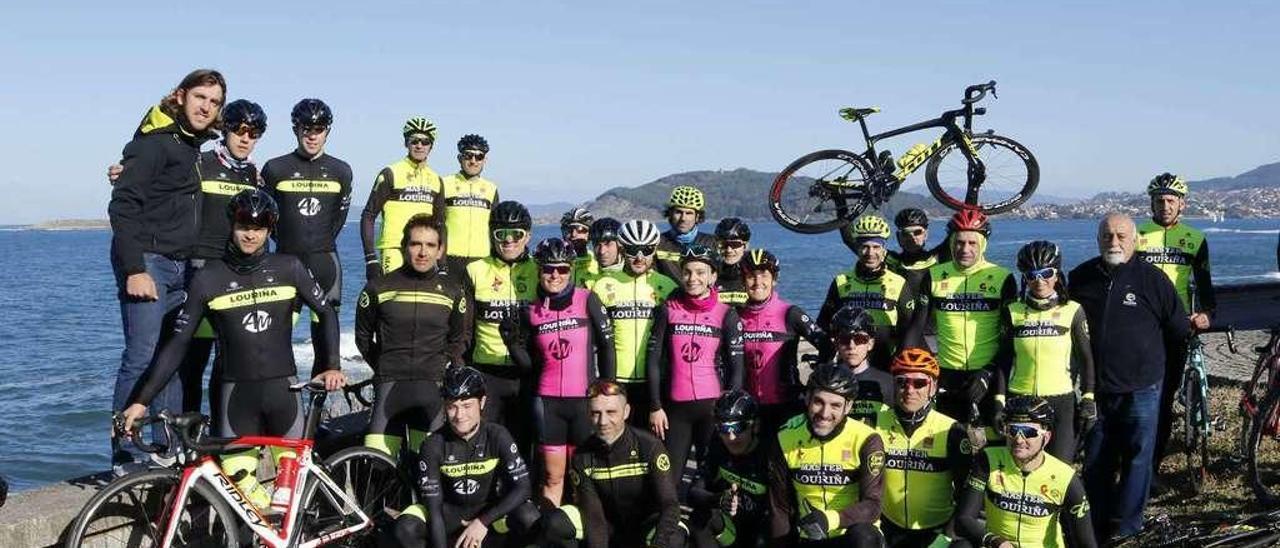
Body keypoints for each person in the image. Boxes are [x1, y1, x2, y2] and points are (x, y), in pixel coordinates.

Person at [120, 189, 346, 510]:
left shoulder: (289, 267)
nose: (250, 234)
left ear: (270, 229)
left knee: (291, 505)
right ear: (232, 224)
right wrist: (141, 401)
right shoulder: (208, 277)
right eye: (243, 225)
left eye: (259, 226)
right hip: (235, 398)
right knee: (244, 505)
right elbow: (178, 344)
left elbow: (326, 313)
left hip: (285, 394)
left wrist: (331, 364)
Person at [110, 98, 267, 414]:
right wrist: (124, 173)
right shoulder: (200, 162)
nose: (245, 137)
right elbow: (159, 179)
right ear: (224, 130)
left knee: (225, 363)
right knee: (184, 363)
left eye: (253, 132)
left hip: (230, 276)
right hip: (192, 272)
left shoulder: (253, 176)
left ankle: (204, 438)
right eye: (238, 129)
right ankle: (168, 440)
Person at [108, 69, 226, 472]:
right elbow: (122, 207)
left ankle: (166, 447)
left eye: (214, 103)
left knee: (168, 362)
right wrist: (134, 268)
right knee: (140, 358)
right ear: (179, 96)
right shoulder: (154, 145)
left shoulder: (190, 147)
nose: (206, 107)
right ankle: (126, 456)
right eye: (200, 98)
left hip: (180, 267)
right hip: (151, 263)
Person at [1068, 212, 1189, 542]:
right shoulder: (1080, 278)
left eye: (1121, 236)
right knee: (1096, 461)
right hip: (1096, 389)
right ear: (1097, 239)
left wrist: (1156, 365)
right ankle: (1097, 523)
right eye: (1107, 236)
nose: (1114, 242)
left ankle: (1127, 528)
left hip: (1142, 387)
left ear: (1135, 240)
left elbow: (1178, 329)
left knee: (1138, 461)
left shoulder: (1153, 280)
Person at [502, 237, 616, 506]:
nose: (555, 275)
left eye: (562, 269)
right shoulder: (530, 311)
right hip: (547, 403)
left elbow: (608, 348)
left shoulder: (587, 299)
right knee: (553, 477)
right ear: (538, 269)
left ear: (571, 270)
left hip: (584, 403)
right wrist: (511, 342)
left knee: (584, 477)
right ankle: (552, 532)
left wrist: (609, 392)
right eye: (548, 269)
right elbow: (529, 366)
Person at [355, 214, 472, 459]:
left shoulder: (453, 291)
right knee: (376, 467)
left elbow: (458, 339)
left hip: (432, 390)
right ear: (403, 247)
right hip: (390, 387)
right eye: (416, 244)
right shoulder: (379, 287)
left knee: (429, 473)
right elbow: (363, 337)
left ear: (440, 251)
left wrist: (442, 366)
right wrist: (383, 366)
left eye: (430, 245)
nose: (422, 252)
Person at [389, 366, 539, 548]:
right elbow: (434, 510)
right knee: (405, 528)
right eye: (452, 407)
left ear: (482, 402)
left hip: (487, 519)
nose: (460, 415)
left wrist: (483, 522)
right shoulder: (433, 444)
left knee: (529, 516)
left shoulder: (497, 435)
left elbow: (523, 488)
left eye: (467, 406)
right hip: (445, 521)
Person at [261, 98, 353, 375]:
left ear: (327, 131)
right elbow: (266, 220)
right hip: (285, 265)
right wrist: (289, 245)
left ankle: (319, 414)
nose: (312, 135)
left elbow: (338, 220)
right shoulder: (275, 168)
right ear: (295, 129)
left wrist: (316, 244)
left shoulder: (341, 170)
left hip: (325, 263)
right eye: (306, 128)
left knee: (325, 351)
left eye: (319, 128)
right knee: (274, 344)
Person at [539, 380, 685, 548]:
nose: (603, 421)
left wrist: (659, 544)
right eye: (596, 413)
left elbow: (670, 504)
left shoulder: (650, 447)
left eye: (611, 412)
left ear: (626, 412)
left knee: (674, 538)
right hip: (606, 527)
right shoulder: (581, 456)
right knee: (556, 523)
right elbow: (594, 515)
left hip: (646, 527)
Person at [905, 209, 1016, 428]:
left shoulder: (1003, 278)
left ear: (983, 244)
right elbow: (916, 328)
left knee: (990, 448)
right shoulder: (935, 276)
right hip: (947, 376)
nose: (965, 249)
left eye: (972, 243)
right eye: (959, 242)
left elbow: (1009, 338)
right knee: (949, 445)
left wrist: (988, 372)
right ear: (952, 243)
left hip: (990, 375)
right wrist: (914, 368)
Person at [1135, 173, 1216, 473]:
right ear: (1152, 204)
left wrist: (1208, 313)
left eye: (1171, 201)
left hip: (1175, 325)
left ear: (1181, 204)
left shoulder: (1196, 239)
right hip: (1139, 326)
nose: (1165, 206)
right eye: (1160, 201)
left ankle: (1152, 467)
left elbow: (1205, 286)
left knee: (1165, 396)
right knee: (1140, 396)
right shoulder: (1136, 235)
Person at [648, 244, 745, 486]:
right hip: (675, 410)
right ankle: (669, 523)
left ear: (713, 276)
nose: (693, 279)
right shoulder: (667, 310)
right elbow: (654, 360)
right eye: (688, 272)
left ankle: (708, 524)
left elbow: (736, 368)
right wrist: (655, 406)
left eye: (701, 272)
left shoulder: (726, 314)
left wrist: (728, 408)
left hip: (711, 408)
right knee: (668, 480)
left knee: (710, 478)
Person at [996, 241, 1097, 461]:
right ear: (1024, 277)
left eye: (1046, 273)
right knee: (1021, 465)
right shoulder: (1012, 311)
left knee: (1060, 468)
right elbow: (1003, 360)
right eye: (1032, 275)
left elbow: (1086, 358)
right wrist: (999, 400)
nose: (1039, 281)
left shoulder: (1072, 310)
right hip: (1020, 399)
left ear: (1057, 274)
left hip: (1061, 401)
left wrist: (1088, 398)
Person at [954, 396, 1097, 548]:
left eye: (1028, 432)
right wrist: (995, 541)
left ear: (1046, 437)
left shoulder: (1065, 477)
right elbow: (963, 520)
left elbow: (1086, 543)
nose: (1019, 439)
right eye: (1013, 430)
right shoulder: (988, 460)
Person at [767, 364, 886, 547]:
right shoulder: (785, 438)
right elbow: (780, 509)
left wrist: (829, 519)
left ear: (848, 407)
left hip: (851, 535)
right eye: (818, 402)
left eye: (835, 405)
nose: (824, 414)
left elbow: (873, 505)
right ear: (807, 399)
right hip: (809, 536)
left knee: (865, 536)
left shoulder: (867, 439)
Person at [874, 348, 971, 548]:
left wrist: (948, 536)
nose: (910, 390)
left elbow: (966, 493)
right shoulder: (875, 424)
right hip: (889, 528)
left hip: (936, 532)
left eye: (919, 383)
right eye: (902, 382)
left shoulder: (951, 430)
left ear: (933, 387)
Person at [465, 201, 539, 447]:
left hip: (526, 374)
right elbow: (464, 329)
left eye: (516, 234)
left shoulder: (540, 271)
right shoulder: (475, 270)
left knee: (525, 446)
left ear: (527, 236)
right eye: (501, 234)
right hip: (487, 374)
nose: (509, 240)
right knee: (486, 446)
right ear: (491, 235)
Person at [591, 219, 679, 426]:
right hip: (616, 380)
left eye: (646, 250)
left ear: (655, 249)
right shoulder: (603, 285)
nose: (640, 257)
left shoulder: (667, 287)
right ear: (622, 248)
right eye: (632, 250)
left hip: (655, 382)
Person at [737, 249, 831, 432]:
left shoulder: (790, 313)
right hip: (749, 407)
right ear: (743, 281)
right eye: (751, 276)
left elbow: (827, 344)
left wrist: (813, 383)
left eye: (764, 275)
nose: (757, 282)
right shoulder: (736, 316)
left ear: (774, 279)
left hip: (786, 405)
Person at [820, 214, 919, 371]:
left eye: (876, 247)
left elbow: (910, 328)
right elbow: (824, 324)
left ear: (884, 249)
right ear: (857, 248)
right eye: (864, 246)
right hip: (849, 361)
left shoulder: (898, 283)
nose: (870, 253)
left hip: (886, 362)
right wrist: (823, 360)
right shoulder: (841, 281)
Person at [360, 116, 444, 279]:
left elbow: (440, 224)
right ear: (406, 143)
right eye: (414, 141)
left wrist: (442, 263)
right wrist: (370, 259)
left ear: (431, 146)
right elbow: (369, 216)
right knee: (393, 302)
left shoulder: (436, 179)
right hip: (394, 250)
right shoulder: (391, 173)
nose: (419, 145)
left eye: (425, 141)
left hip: (424, 251)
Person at [689, 390, 772, 548]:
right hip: (732, 530)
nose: (731, 437)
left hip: (762, 530)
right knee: (699, 518)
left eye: (738, 427)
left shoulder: (769, 453)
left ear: (755, 425)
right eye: (723, 428)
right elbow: (693, 493)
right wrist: (719, 499)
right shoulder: (718, 444)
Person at [826, 304, 895, 426]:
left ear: (870, 343)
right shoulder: (824, 382)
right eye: (844, 339)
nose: (851, 346)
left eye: (859, 339)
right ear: (835, 343)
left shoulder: (888, 383)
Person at [441, 134, 499, 274]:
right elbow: (437, 223)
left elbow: (495, 227)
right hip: (450, 259)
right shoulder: (444, 183)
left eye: (478, 157)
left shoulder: (491, 189)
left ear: (484, 160)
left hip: (482, 260)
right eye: (468, 156)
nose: (473, 161)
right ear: (460, 158)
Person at [656, 185, 718, 280]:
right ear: (670, 214)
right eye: (678, 212)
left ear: (697, 217)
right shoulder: (658, 243)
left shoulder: (711, 242)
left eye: (689, 213)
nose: (683, 218)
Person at [714, 217, 752, 305]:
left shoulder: (754, 275)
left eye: (735, 244)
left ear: (746, 246)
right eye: (723, 244)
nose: (729, 250)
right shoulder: (709, 275)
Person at [577, 217, 624, 288]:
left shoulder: (638, 278)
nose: (602, 251)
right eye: (597, 244)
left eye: (608, 244)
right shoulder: (587, 282)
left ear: (620, 245)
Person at [561, 206, 596, 275]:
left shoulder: (598, 262)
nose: (574, 234)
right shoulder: (553, 263)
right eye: (569, 229)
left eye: (580, 229)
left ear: (590, 233)